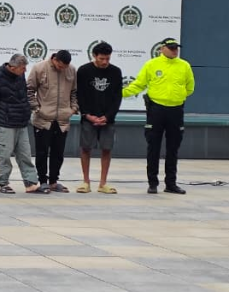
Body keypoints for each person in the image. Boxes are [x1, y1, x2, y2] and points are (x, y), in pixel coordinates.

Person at [123, 37, 195, 194]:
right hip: (156, 110)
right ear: (162, 49)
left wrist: (177, 96)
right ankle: (152, 183)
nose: (175, 50)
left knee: (173, 148)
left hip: (176, 110)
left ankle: (171, 183)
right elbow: (139, 84)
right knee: (153, 147)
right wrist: (120, 93)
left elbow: (190, 88)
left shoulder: (184, 66)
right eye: (171, 47)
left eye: (176, 47)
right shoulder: (152, 65)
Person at [0, 54, 46, 194]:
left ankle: (31, 183)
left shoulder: (20, 75)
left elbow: (24, 95)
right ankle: (3, 183)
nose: (25, 70)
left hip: (22, 122)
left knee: (25, 155)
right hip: (5, 122)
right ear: (13, 67)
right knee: (4, 155)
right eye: (23, 68)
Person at [28, 50, 78, 192]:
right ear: (55, 59)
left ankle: (54, 181)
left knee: (58, 152)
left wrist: (73, 109)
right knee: (42, 151)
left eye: (65, 67)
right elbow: (29, 90)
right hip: (43, 119)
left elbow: (75, 92)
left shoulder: (72, 70)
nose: (63, 69)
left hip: (62, 120)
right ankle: (42, 180)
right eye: (60, 66)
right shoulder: (39, 68)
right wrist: (37, 108)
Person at [76, 42, 123, 194]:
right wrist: (87, 115)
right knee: (85, 148)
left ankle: (103, 183)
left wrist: (108, 117)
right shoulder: (84, 71)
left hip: (107, 118)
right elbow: (80, 95)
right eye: (102, 58)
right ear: (94, 56)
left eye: (107, 59)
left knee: (107, 149)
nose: (105, 62)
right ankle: (86, 181)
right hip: (88, 117)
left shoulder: (115, 72)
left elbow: (117, 97)